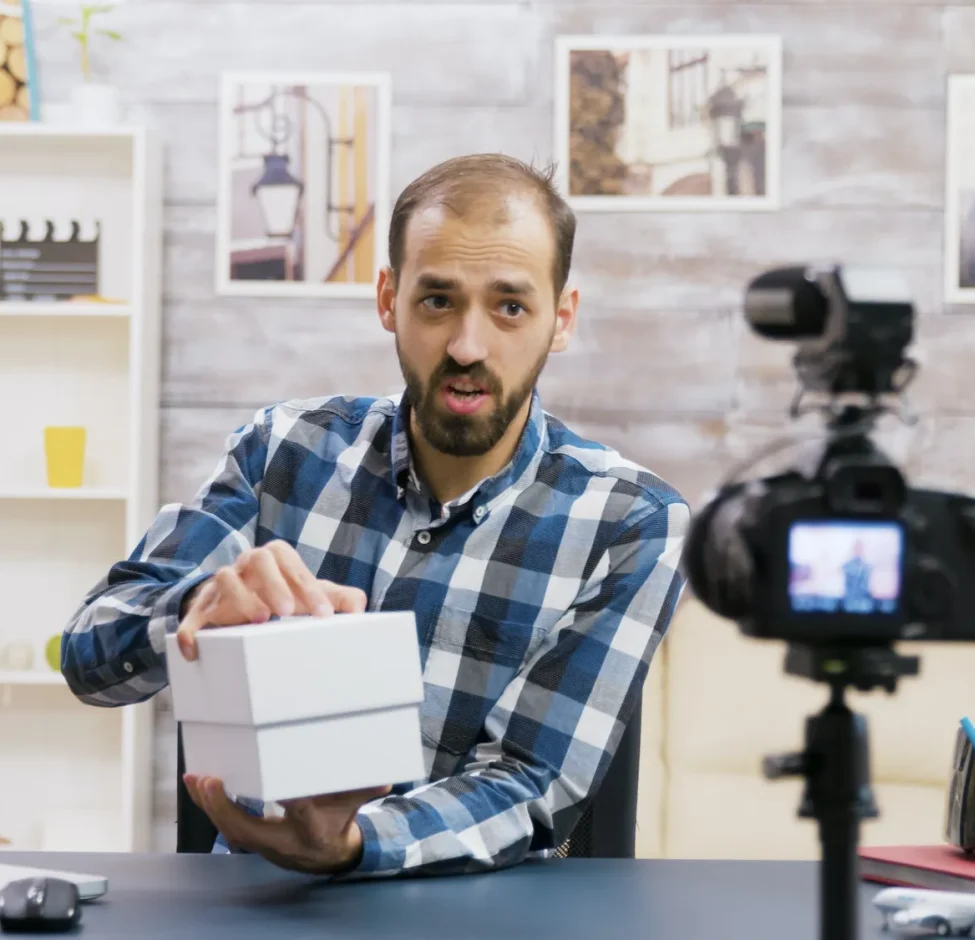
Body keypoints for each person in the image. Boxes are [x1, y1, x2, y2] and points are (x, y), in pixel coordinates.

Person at [61, 154, 690, 879]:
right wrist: (192, 609)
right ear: (389, 299)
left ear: (562, 319)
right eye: (437, 300)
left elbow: (529, 780)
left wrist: (353, 843)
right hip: (254, 904)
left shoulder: (631, 524)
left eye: (510, 307)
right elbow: (87, 660)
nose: (467, 346)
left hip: (480, 912)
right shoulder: (282, 451)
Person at [841, 539, 873, 611]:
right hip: (850, 601)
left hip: (864, 601)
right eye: (857, 548)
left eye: (860, 548)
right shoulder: (847, 566)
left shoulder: (868, 566)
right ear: (853, 550)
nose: (858, 551)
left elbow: (869, 586)